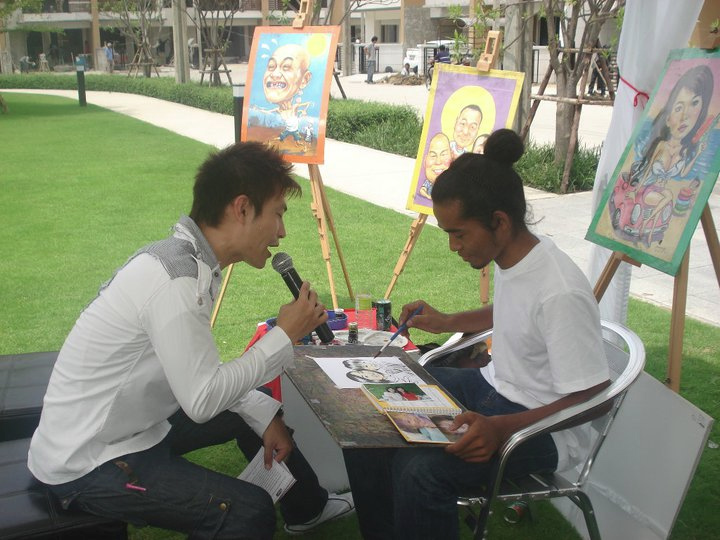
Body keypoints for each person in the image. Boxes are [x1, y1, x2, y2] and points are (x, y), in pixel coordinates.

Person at [27, 142, 354, 539]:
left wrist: (264, 414)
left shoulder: (190, 263)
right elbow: (201, 401)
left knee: (256, 409)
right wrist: (283, 335)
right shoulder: (176, 279)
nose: (281, 232)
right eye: (278, 214)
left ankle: (308, 508)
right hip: (87, 460)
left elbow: (199, 376)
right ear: (242, 208)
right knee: (247, 512)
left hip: (131, 425)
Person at [342, 129, 610, 540]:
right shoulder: (516, 257)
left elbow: (594, 398)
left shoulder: (560, 291)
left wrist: (504, 428)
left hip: (546, 429)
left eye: (459, 233)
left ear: (499, 222)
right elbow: (514, 312)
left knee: (419, 471)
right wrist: (446, 321)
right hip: (492, 387)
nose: (454, 247)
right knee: (367, 416)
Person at [629, 64, 713, 243]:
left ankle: (649, 227)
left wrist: (697, 154)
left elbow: (683, 174)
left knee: (668, 198)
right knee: (668, 198)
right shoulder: (660, 145)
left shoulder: (685, 152)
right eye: (678, 107)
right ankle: (648, 226)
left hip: (661, 194)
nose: (685, 116)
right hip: (648, 191)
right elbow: (647, 167)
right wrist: (635, 190)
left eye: (694, 103)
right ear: (667, 119)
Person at [420, 132, 452, 199]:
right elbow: (422, 190)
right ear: (425, 161)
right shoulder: (428, 183)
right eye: (433, 155)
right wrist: (428, 196)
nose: (438, 162)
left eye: (443, 155)